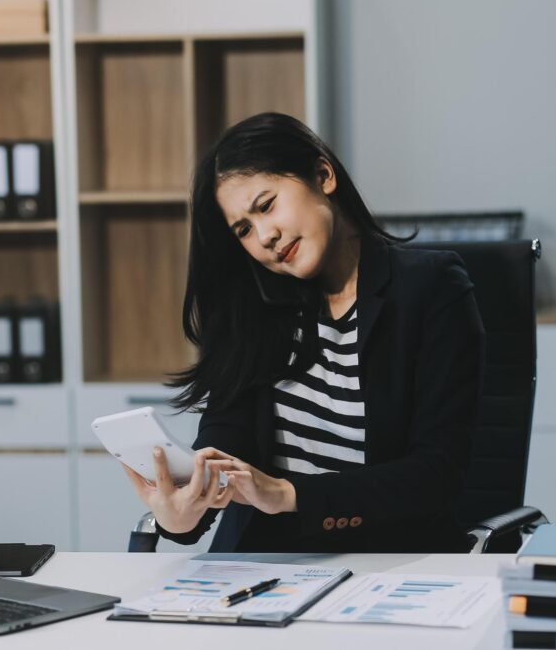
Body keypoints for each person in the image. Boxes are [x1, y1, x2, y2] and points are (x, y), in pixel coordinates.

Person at [122, 112, 485, 553]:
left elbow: (437, 473)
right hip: (268, 564)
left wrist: (286, 495)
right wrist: (182, 513)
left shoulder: (430, 288)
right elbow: (225, 440)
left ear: (322, 175)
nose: (265, 237)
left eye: (266, 205)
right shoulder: (255, 307)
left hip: (391, 558)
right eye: (244, 230)